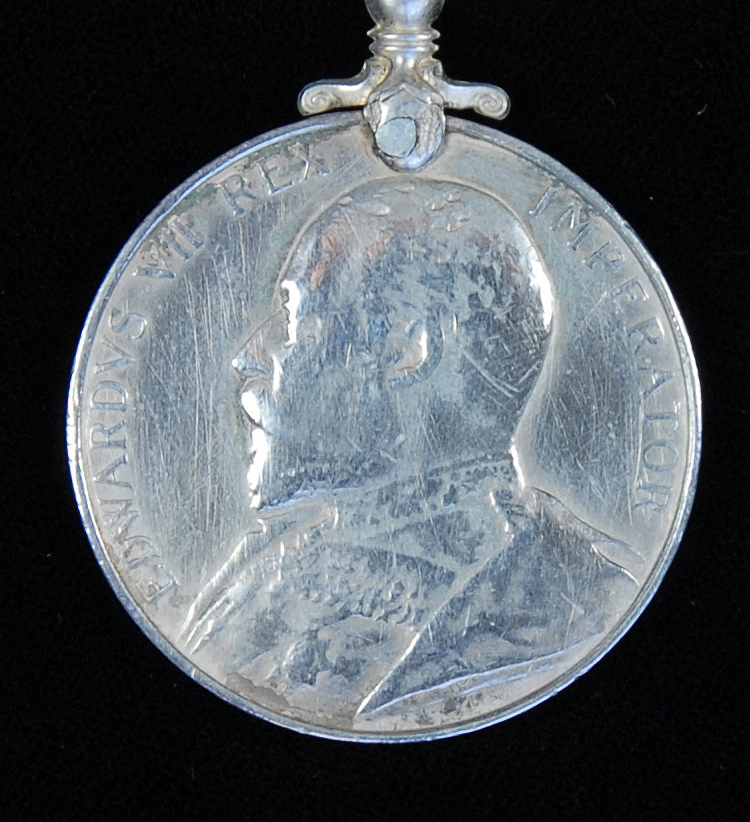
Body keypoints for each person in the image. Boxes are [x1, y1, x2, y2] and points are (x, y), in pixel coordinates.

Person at [180, 177, 642, 731]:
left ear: (406, 349)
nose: (248, 357)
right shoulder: (269, 560)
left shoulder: (572, 611)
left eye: (291, 320)